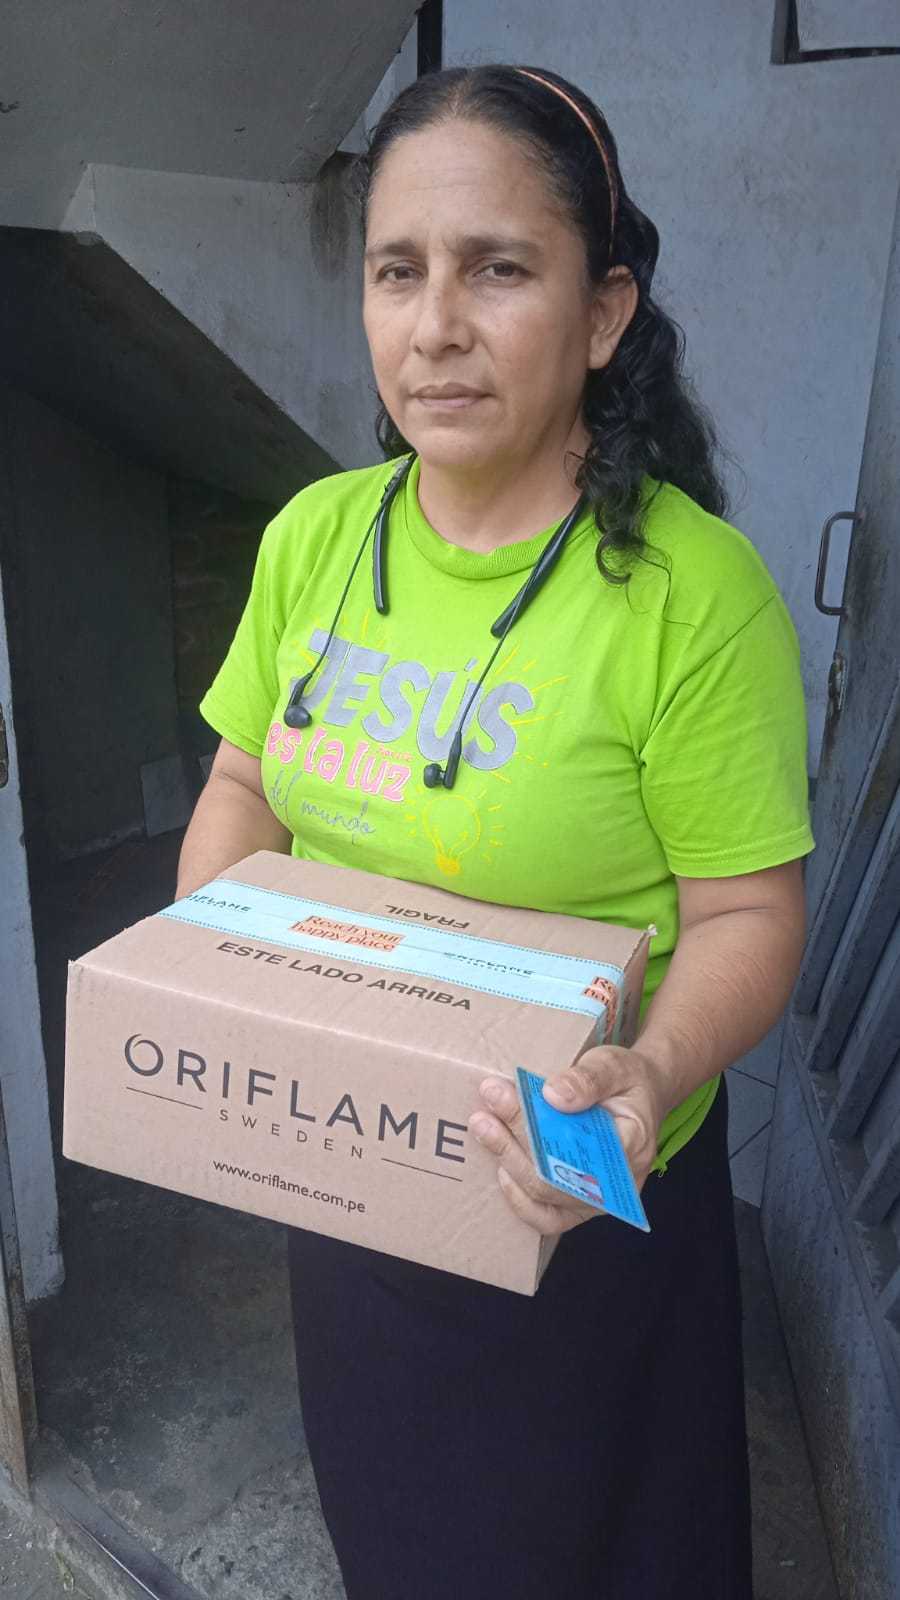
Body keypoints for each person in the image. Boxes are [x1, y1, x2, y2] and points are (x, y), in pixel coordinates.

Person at [176, 63, 813, 1600]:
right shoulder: (318, 538)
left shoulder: (690, 594)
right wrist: (220, 993)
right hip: (355, 1171)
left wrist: (646, 1075)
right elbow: (244, 787)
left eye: (499, 269)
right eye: (397, 272)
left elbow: (748, 916)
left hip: (583, 1186)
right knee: (403, 1542)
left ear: (603, 314)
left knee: (602, 1553)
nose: (435, 326)